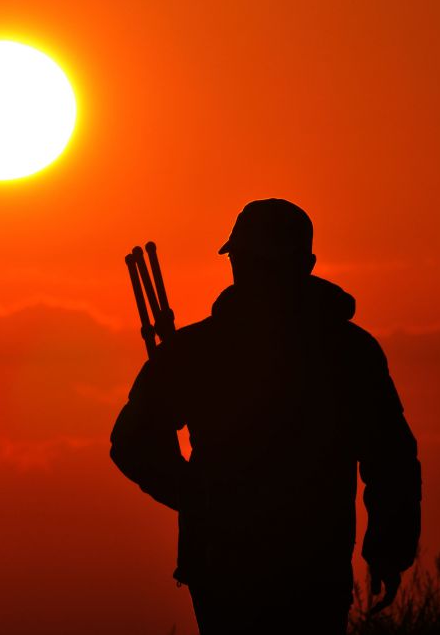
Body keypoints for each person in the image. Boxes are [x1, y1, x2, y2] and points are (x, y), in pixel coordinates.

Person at [110, 199, 421, 633]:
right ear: (308, 263)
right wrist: (387, 550)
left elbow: (131, 441)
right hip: (305, 568)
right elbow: (392, 458)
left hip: (234, 568)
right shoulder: (350, 351)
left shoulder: (197, 353)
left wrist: (194, 495)